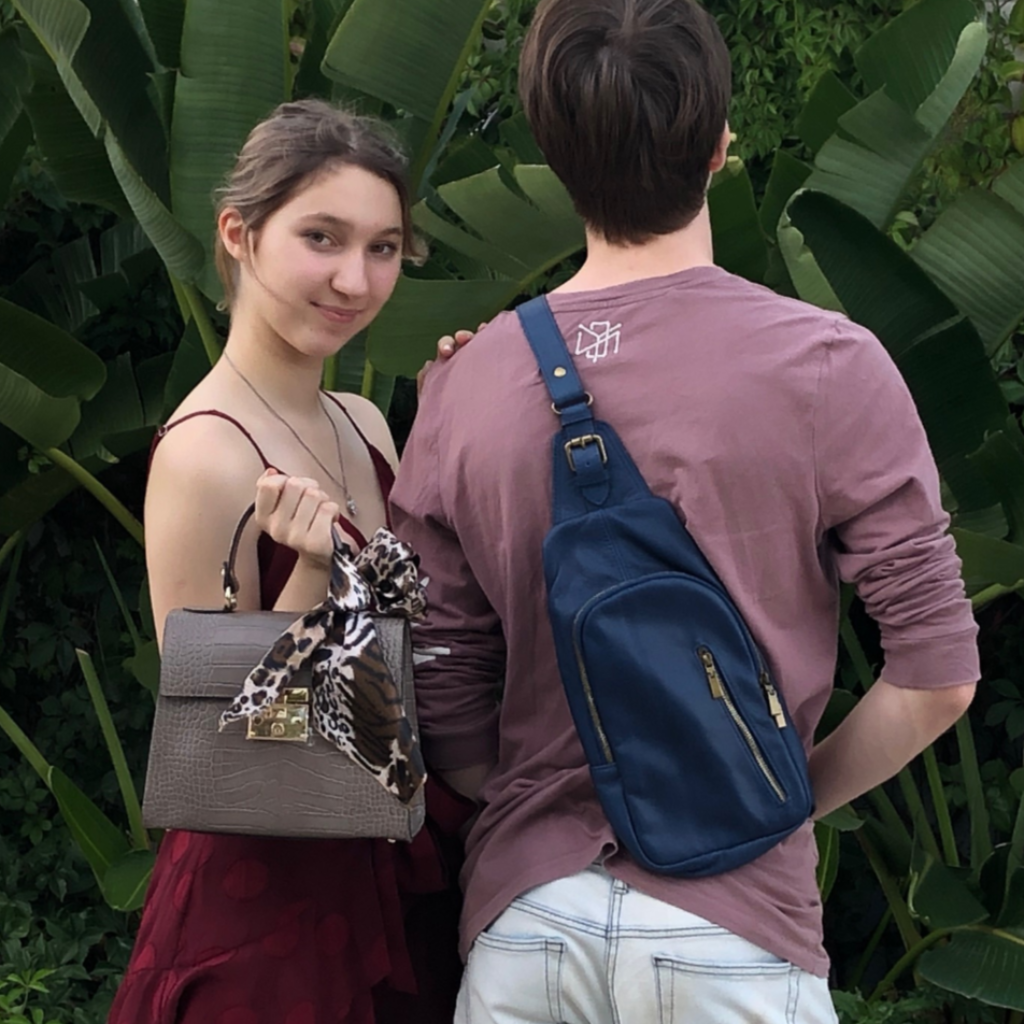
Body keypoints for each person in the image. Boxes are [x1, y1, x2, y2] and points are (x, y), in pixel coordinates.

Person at [389, 1, 980, 1021]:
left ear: (554, 152)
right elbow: (935, 679)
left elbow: (437, 685)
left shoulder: (465, 384)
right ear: (718, 144)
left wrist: (543, 813)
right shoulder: (825, 363)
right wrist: (765, 798)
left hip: (528, 928)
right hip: (735, 928)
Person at [109, 99, 473, 1024]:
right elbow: (221, 746)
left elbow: (407, 633)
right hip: (265, 913)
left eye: (383, 248)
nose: (355, 278)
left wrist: (455, 426)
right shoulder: (205, 454)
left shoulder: (362, 421)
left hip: (379, 862)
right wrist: (308, 574)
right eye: (322, 237)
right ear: (238, 234)